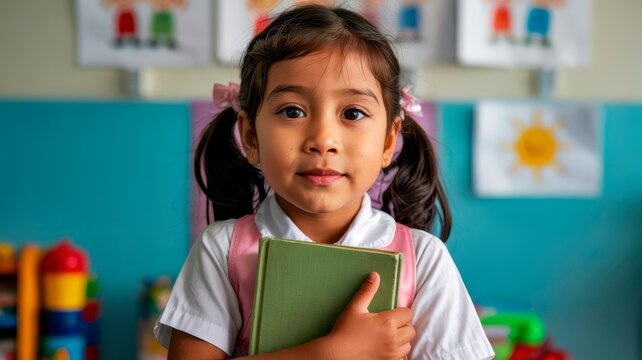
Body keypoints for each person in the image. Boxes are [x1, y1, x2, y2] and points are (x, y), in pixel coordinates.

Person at [155, 4, 494, 359]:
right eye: (292, 111)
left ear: (389, 141)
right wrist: (330, 353)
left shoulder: (423, 260)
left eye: (353, 113)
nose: (323, 139)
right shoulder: (222, 251)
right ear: (251, 136)